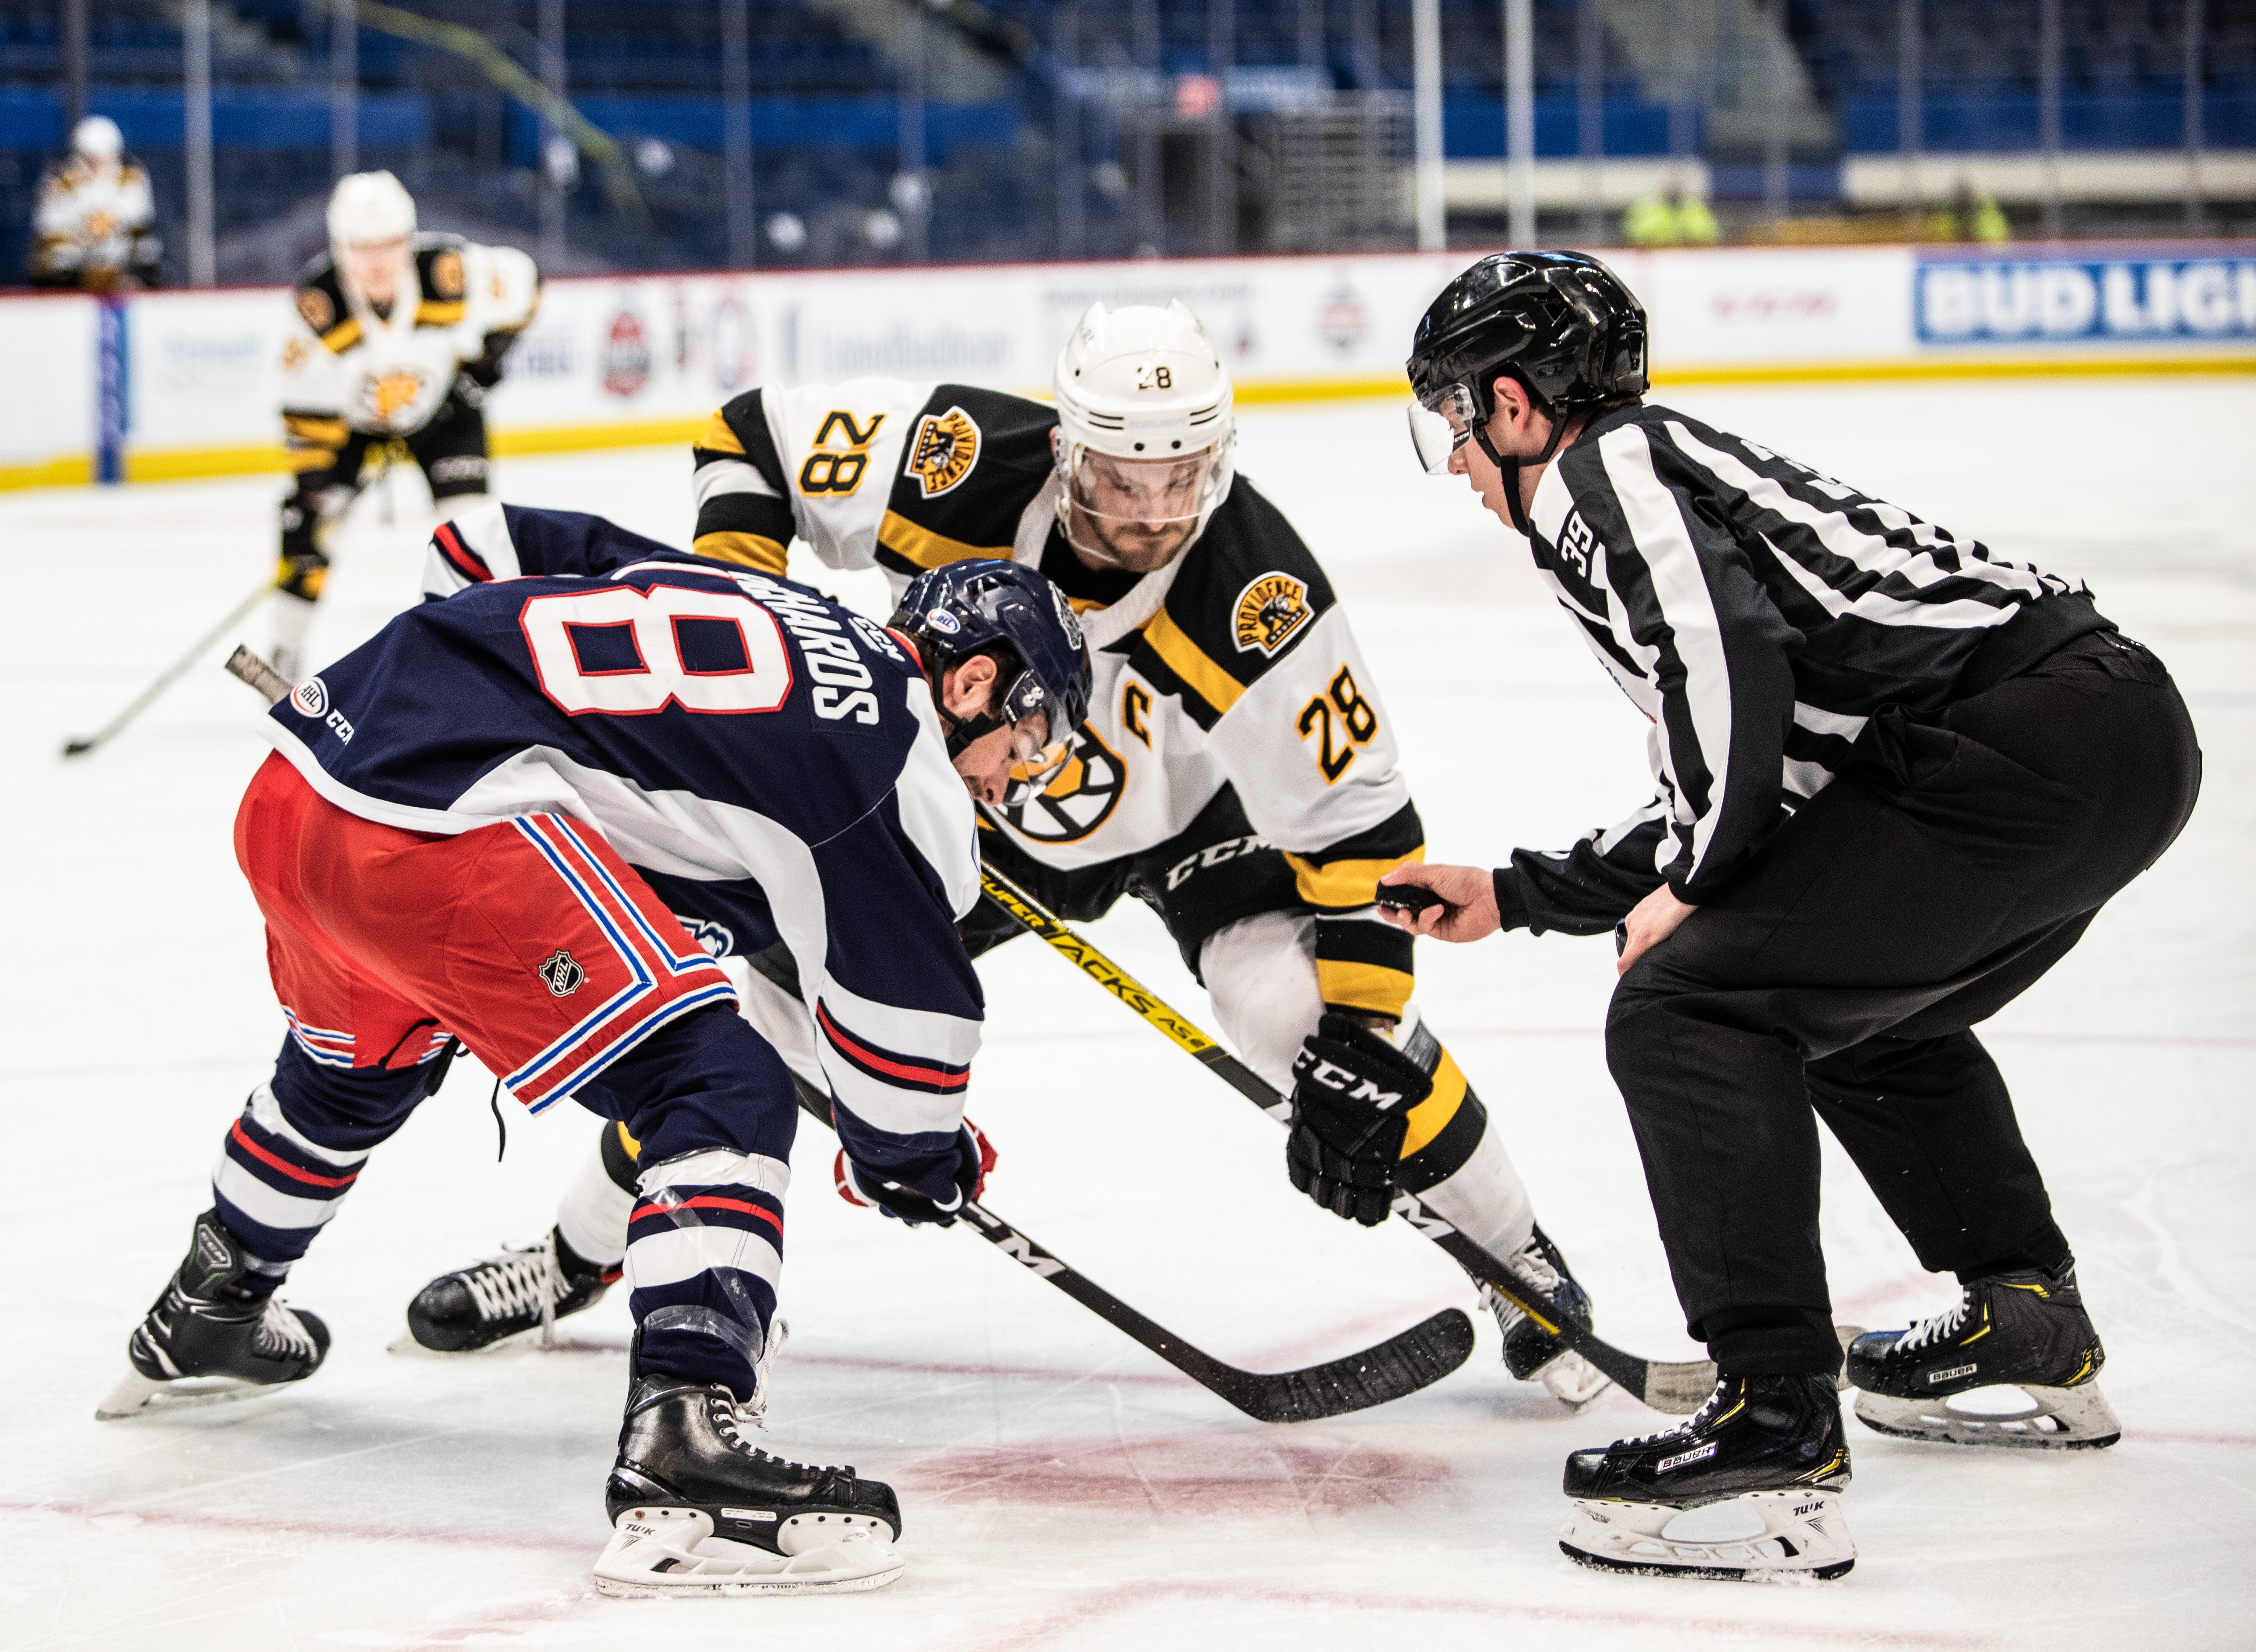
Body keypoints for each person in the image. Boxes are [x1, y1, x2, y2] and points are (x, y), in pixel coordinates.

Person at [401, 301, 1614, 1409]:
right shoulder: (956, 456)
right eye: (1123, 480)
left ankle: (1520, 1262)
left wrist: (1355, 1043)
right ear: (1064, 448)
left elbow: (1361, 838)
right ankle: (570, 1256)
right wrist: (747, 609)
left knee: (1297, 1013)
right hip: (967, 798)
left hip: (1203, 830)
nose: (1150, 515)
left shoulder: (1260, 598)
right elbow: (751, 436)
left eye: (1180, 479)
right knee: (753, 1023)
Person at [1381, 250, 2200, 1579]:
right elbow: (1757, 771)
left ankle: (1772, 1413)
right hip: (2102, 740)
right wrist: (1520, 893)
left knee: (1682, 1006)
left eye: (1454, 419)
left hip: (2015, 749)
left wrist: (1685, 890)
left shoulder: (1605, 471)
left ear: (1516, 403)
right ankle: (2022, 1309)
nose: (1458, 459)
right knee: (1852, 1008)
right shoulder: (1656, 478)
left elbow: (1732, 678)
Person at [100, 523, 1093, 1598]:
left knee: (352, 1073)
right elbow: (903, 1055)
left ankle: (213, 1300)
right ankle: (687, 1438)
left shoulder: (765, 602)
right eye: (1028, 736)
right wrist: (919, 1156)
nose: (1018, 777)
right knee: (721, 1079)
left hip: (306, 780)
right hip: (441, 833)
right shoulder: (900, 768)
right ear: (975, 679)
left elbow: (481, 542)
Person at [272, 170, 538, 675]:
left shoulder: (450, 270)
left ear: (409, 239)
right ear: (338, 245)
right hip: (351, 430)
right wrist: (311, 494)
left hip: (443, 415)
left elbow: (529, 284)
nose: (377, 262)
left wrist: (488, 362)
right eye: (361, 247)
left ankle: (486, 657)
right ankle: (284, 655)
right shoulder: (318, 307)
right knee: (309, 537)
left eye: (390, 245)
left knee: (474, 532)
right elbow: (306, 415)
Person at [28, 115, 163, 291]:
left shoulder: (131, 180)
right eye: (91, 160)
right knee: (59, 258)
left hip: (119, 252)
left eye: (104, 158)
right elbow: (48, 225)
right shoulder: (60, 184)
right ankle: (63, 296)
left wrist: (111, 226)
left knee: (148, 250)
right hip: (79, 254)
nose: (99, 167)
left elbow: (141, 219)